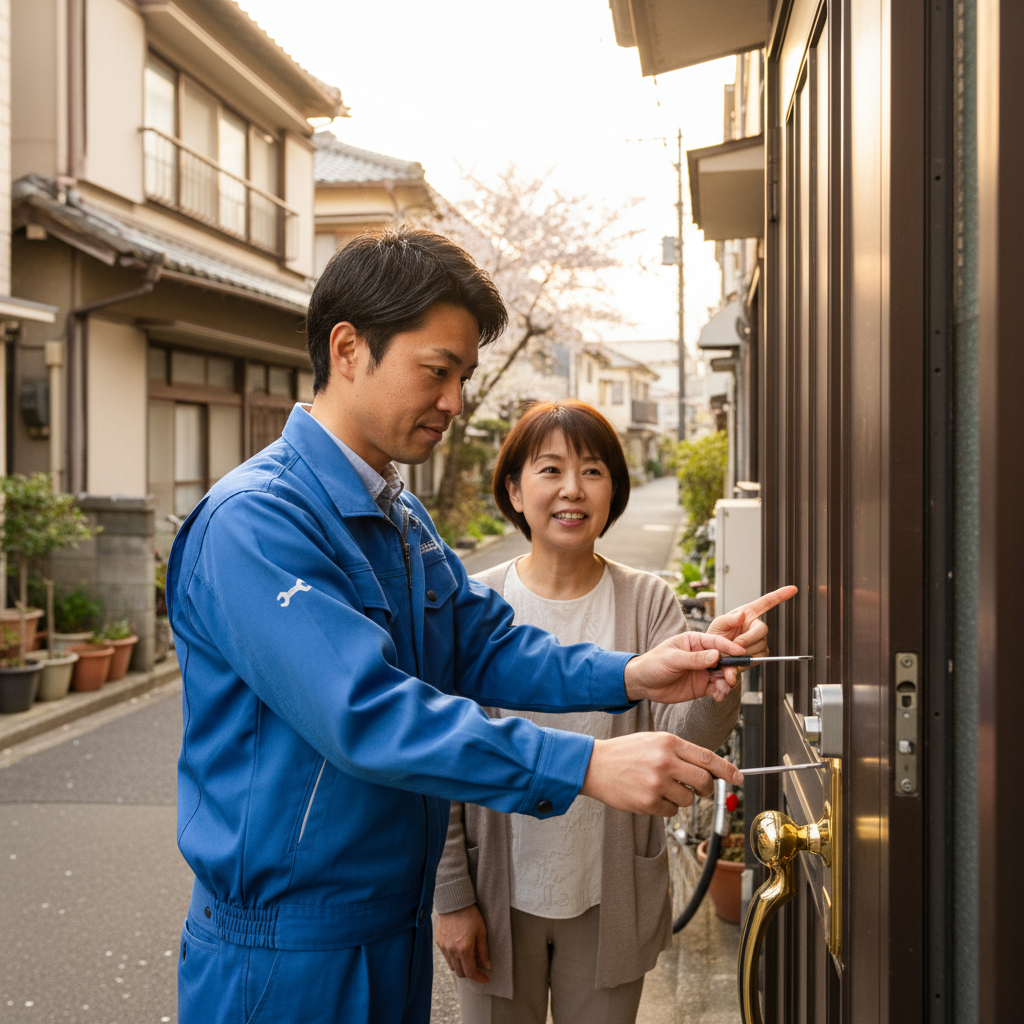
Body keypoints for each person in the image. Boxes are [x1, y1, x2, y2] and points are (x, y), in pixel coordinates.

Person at [166, 228, 787, 1024]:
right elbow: (367, 714)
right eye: (437, 371)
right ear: (349, 349)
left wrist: (631, 673)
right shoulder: (258, 522)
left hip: (385, 925)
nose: (456, 401)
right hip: (284, 949)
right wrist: (586, 766)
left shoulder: (396, 509)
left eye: (463, 375)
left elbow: (482, 641)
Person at [433, 400, 779, 1023]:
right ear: (513, 489)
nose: (573, 489)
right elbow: (440, 756)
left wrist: (714, 680)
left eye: (593, 471)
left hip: (608, 891)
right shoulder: (474, 601)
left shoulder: (647, 598)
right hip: (496, 895)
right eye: (550, 470)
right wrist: (452, 897)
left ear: (615, 489)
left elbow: (681, 739)